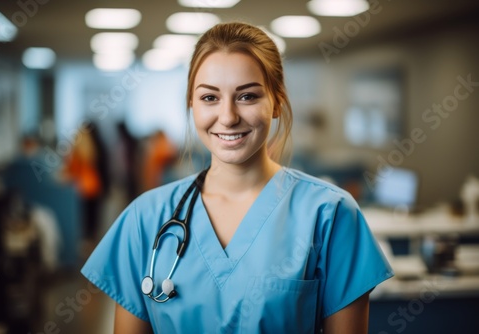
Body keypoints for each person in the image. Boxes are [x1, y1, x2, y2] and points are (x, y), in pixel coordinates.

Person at [81, 22, 393, 333]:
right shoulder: (145, 219)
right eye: (209, 98)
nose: (228, 117)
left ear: (277, 102)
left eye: (247, 96)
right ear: (191, 104)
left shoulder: (330, 214)